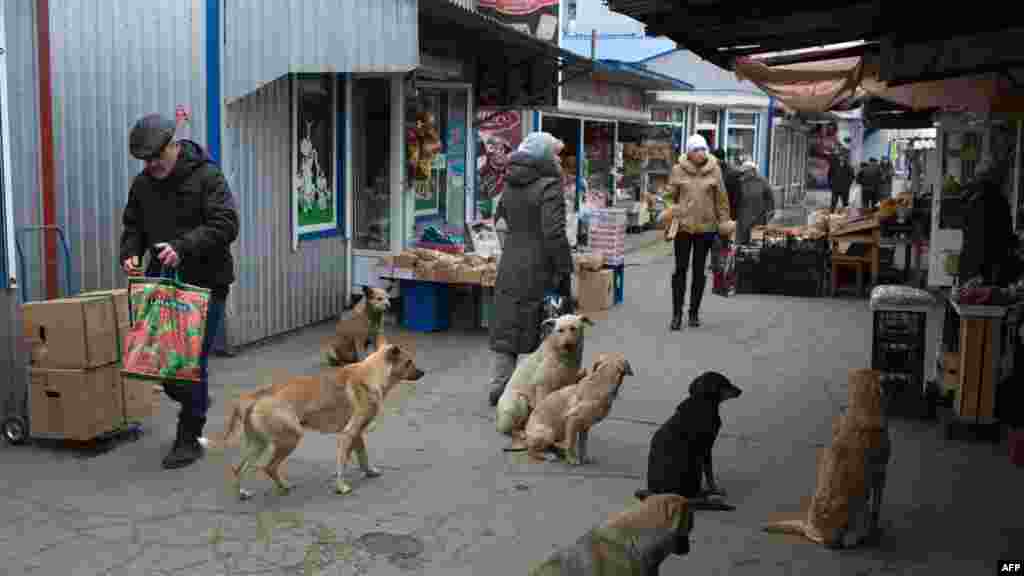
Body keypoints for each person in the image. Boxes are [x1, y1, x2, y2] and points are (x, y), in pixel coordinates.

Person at [119, 113, 239, 469]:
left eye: (157, 156)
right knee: (161, 361)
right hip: (163, 284)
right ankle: (197, 397)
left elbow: (226, 224)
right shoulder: (143, 185)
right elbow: (133, 225)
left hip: (206, 283)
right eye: (145, 160)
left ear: (173, 145)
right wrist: (129, 252)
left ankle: (189, 438)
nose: (151, 165)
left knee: (188, 363)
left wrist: (183, 247)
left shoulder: (207, 176)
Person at [487, 132, 574, 406]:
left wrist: (511, 248)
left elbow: (499, 222)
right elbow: (554, 232)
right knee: (545, 325)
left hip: (511, 262)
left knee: (508, 324)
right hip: (540, 267)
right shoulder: (549, 186)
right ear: (545, 157)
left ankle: (500, 385)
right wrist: (564, 267)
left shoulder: (510, 183)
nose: (559, 160)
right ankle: (535, 392)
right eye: (556, 155)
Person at [667, 134, 730, 331]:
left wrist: (724, 223)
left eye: (703, 149)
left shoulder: (715, 170)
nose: (701, 153)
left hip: (706, 229)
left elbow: (721, 200)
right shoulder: (678, 170)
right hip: (683, 228)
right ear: (689, 152)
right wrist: (670, 216)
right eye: (697, 149)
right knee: (680, 270)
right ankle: (676, 314)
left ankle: (693, 312)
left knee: (699, 271)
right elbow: (670, 197)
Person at [734, 160, 774, 245]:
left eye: (745, 172)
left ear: (752, 171)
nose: (743, 174)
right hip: (743, 220)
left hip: (759, 219)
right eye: (743, 172)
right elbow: (735, 200)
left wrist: (770, 212)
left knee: (756, 243)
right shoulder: (740, 183)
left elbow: (770, 198)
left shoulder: (763, 182)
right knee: (742, 245)